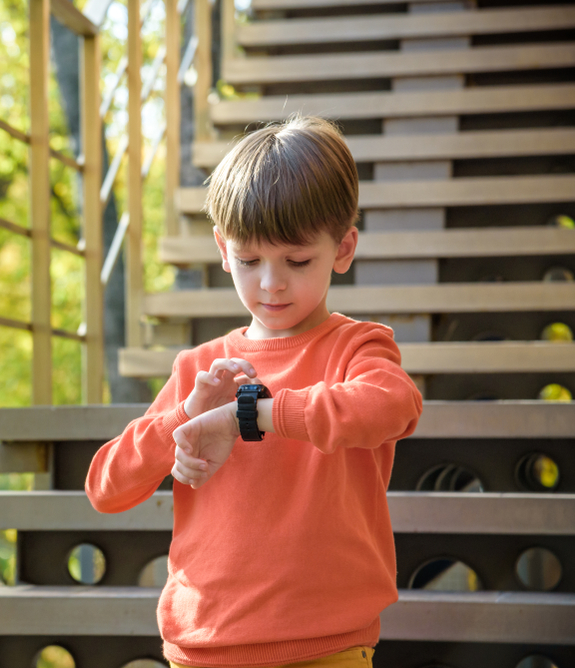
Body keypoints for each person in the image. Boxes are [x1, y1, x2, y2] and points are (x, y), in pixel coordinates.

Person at [86, 115, 424, 668]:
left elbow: (393, 405)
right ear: (222, 249)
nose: (271, 283)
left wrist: (257, 416)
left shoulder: (358, 348)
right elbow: (106, 486)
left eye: (297, 261)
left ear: (343, 248)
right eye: (249, 261)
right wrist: (185, 419)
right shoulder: (199, 367)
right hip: (204, 645)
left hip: (328, 645)